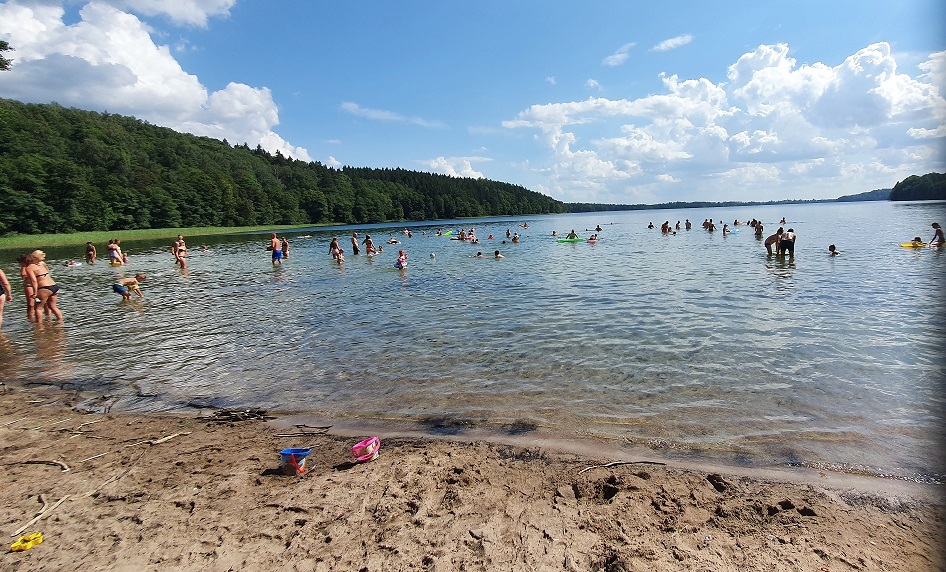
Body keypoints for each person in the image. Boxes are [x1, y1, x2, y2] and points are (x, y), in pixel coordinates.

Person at [25, 250, 63, 322]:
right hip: (54, 286)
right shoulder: (42, 263)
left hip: (44, 288)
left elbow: (34, 281)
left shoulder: (29, 268)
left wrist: (35, 293)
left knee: (38, 308)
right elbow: (47, 272)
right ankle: (60, 322)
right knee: (53, 307)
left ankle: (39, 326)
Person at [17, 254, 38, 322]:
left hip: (39, 284)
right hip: (29, 285)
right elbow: (23, 275)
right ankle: (31, 319)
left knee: (42, 303)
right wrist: (24, 266)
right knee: (31, 304)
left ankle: (46, 318)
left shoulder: (36, 265)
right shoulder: (25, 267)